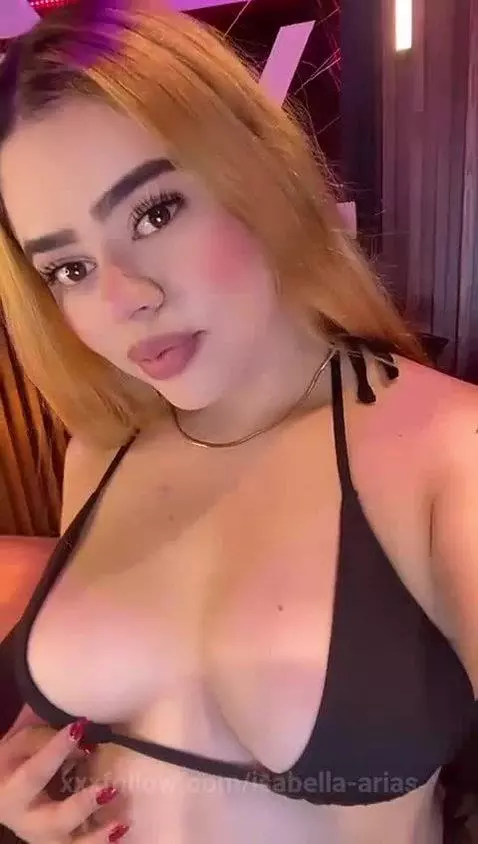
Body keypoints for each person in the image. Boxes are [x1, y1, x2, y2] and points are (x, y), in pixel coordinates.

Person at [0, 3, 477, 843]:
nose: (124, 298)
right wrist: (29, 788)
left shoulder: (447, 454)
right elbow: (97, 720)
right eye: (68, 267)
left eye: (153, 214)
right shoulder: (101, 452)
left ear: (257, 171)